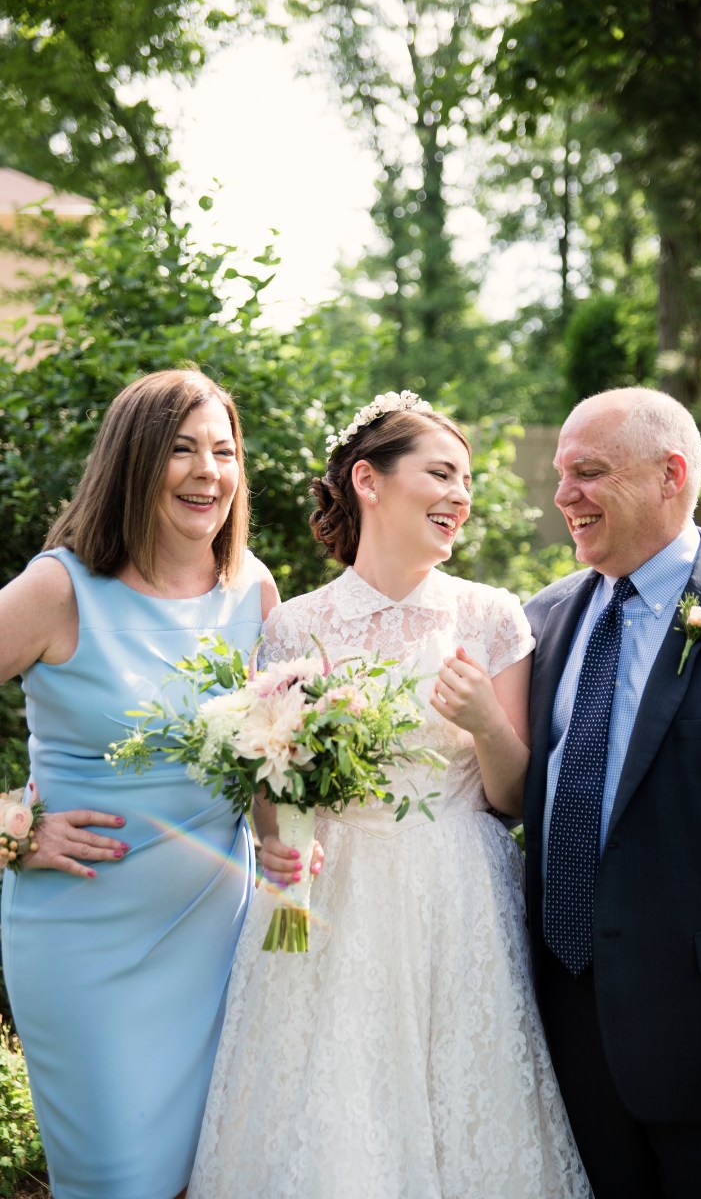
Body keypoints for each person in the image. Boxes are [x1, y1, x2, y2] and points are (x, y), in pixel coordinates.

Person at [187, 391, 590, 1198]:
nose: (459, 496)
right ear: (368, 481)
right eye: (440, 474)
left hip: (458, 899)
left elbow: (512, 798)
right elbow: (272, 781)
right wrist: (276, 838)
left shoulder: (490, 616)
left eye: (465, 481)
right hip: (327, 902)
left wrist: (485, 723)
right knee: (333, 1112)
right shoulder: (295, 626)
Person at [0, 368, 281, 1199]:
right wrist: (11, 826)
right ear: (134, 460)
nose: (209, 472)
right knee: (116, 1181)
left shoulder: (253, 588)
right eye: (182, 450)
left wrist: (287, 848)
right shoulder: (59, 587)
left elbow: (271, 754)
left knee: (217, 1171)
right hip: (83, 939)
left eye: (224, 451)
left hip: (218, 934)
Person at [523, 385, 701, 1199]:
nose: (563, 495)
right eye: (560, 474)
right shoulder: (541, 619)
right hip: (567, 1035)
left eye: (588, 472)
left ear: (669, 475)